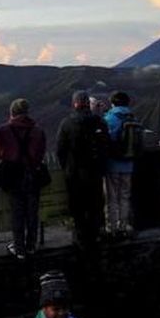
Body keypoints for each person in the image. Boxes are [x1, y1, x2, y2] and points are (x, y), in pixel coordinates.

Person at [0, 98, 47, 259]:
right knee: (32, 212)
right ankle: (31, 245)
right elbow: (41, 153)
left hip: (13, 176)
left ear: (12, 112)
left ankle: (19, 248)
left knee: (17, 213)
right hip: (32, 175)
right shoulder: (38, 131)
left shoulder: (3, 130)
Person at [56, 90, 109, 251]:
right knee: (95, 204)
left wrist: (67, 167)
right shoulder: (99, 122)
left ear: (74, 103)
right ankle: (95, 235)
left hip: (74, 174)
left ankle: (80, 237)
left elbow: (60, 149)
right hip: (94, 172)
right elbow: (105, 145)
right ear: (88, 103)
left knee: (78, 206)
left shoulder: (66, 123)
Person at [103, 90, 140, 237]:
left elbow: (106, 139)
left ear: (112, 103)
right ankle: (123, 226)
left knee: (112, 198)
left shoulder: (109, 118)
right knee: (125, 196)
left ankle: (112, 227)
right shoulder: (133, 117)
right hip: (129, 163)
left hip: (112, 164)